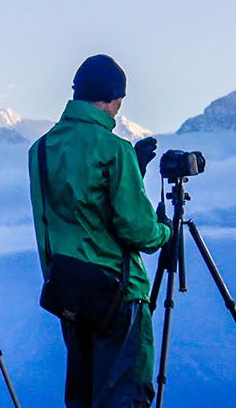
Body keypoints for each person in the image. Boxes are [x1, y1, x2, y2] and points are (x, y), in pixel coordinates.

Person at [29, 55, 171, 408]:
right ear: (110, 97)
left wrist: (131, 172)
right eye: (119, 102)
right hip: (116, 293)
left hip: (68, 290)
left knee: (83, 396)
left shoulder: (41, 149)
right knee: (125, 394)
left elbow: (77, 204)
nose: (118, 111)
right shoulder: (114, 149)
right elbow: (137, 231)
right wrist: (165, 231)